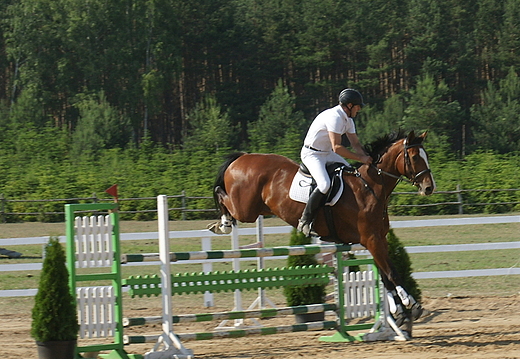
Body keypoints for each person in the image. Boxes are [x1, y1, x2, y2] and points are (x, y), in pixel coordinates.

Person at [297, 88, 373, 236]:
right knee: (324, 185)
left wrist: (369, 159)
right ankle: (305, 220)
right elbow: (337, 147)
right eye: (357, 106)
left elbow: (356, 145)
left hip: (327, 153)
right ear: (349, 105)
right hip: (312, 154)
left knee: (351, 174)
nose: (359, 109)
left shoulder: (348, 120)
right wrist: (362, 159)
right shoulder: (335, 117)